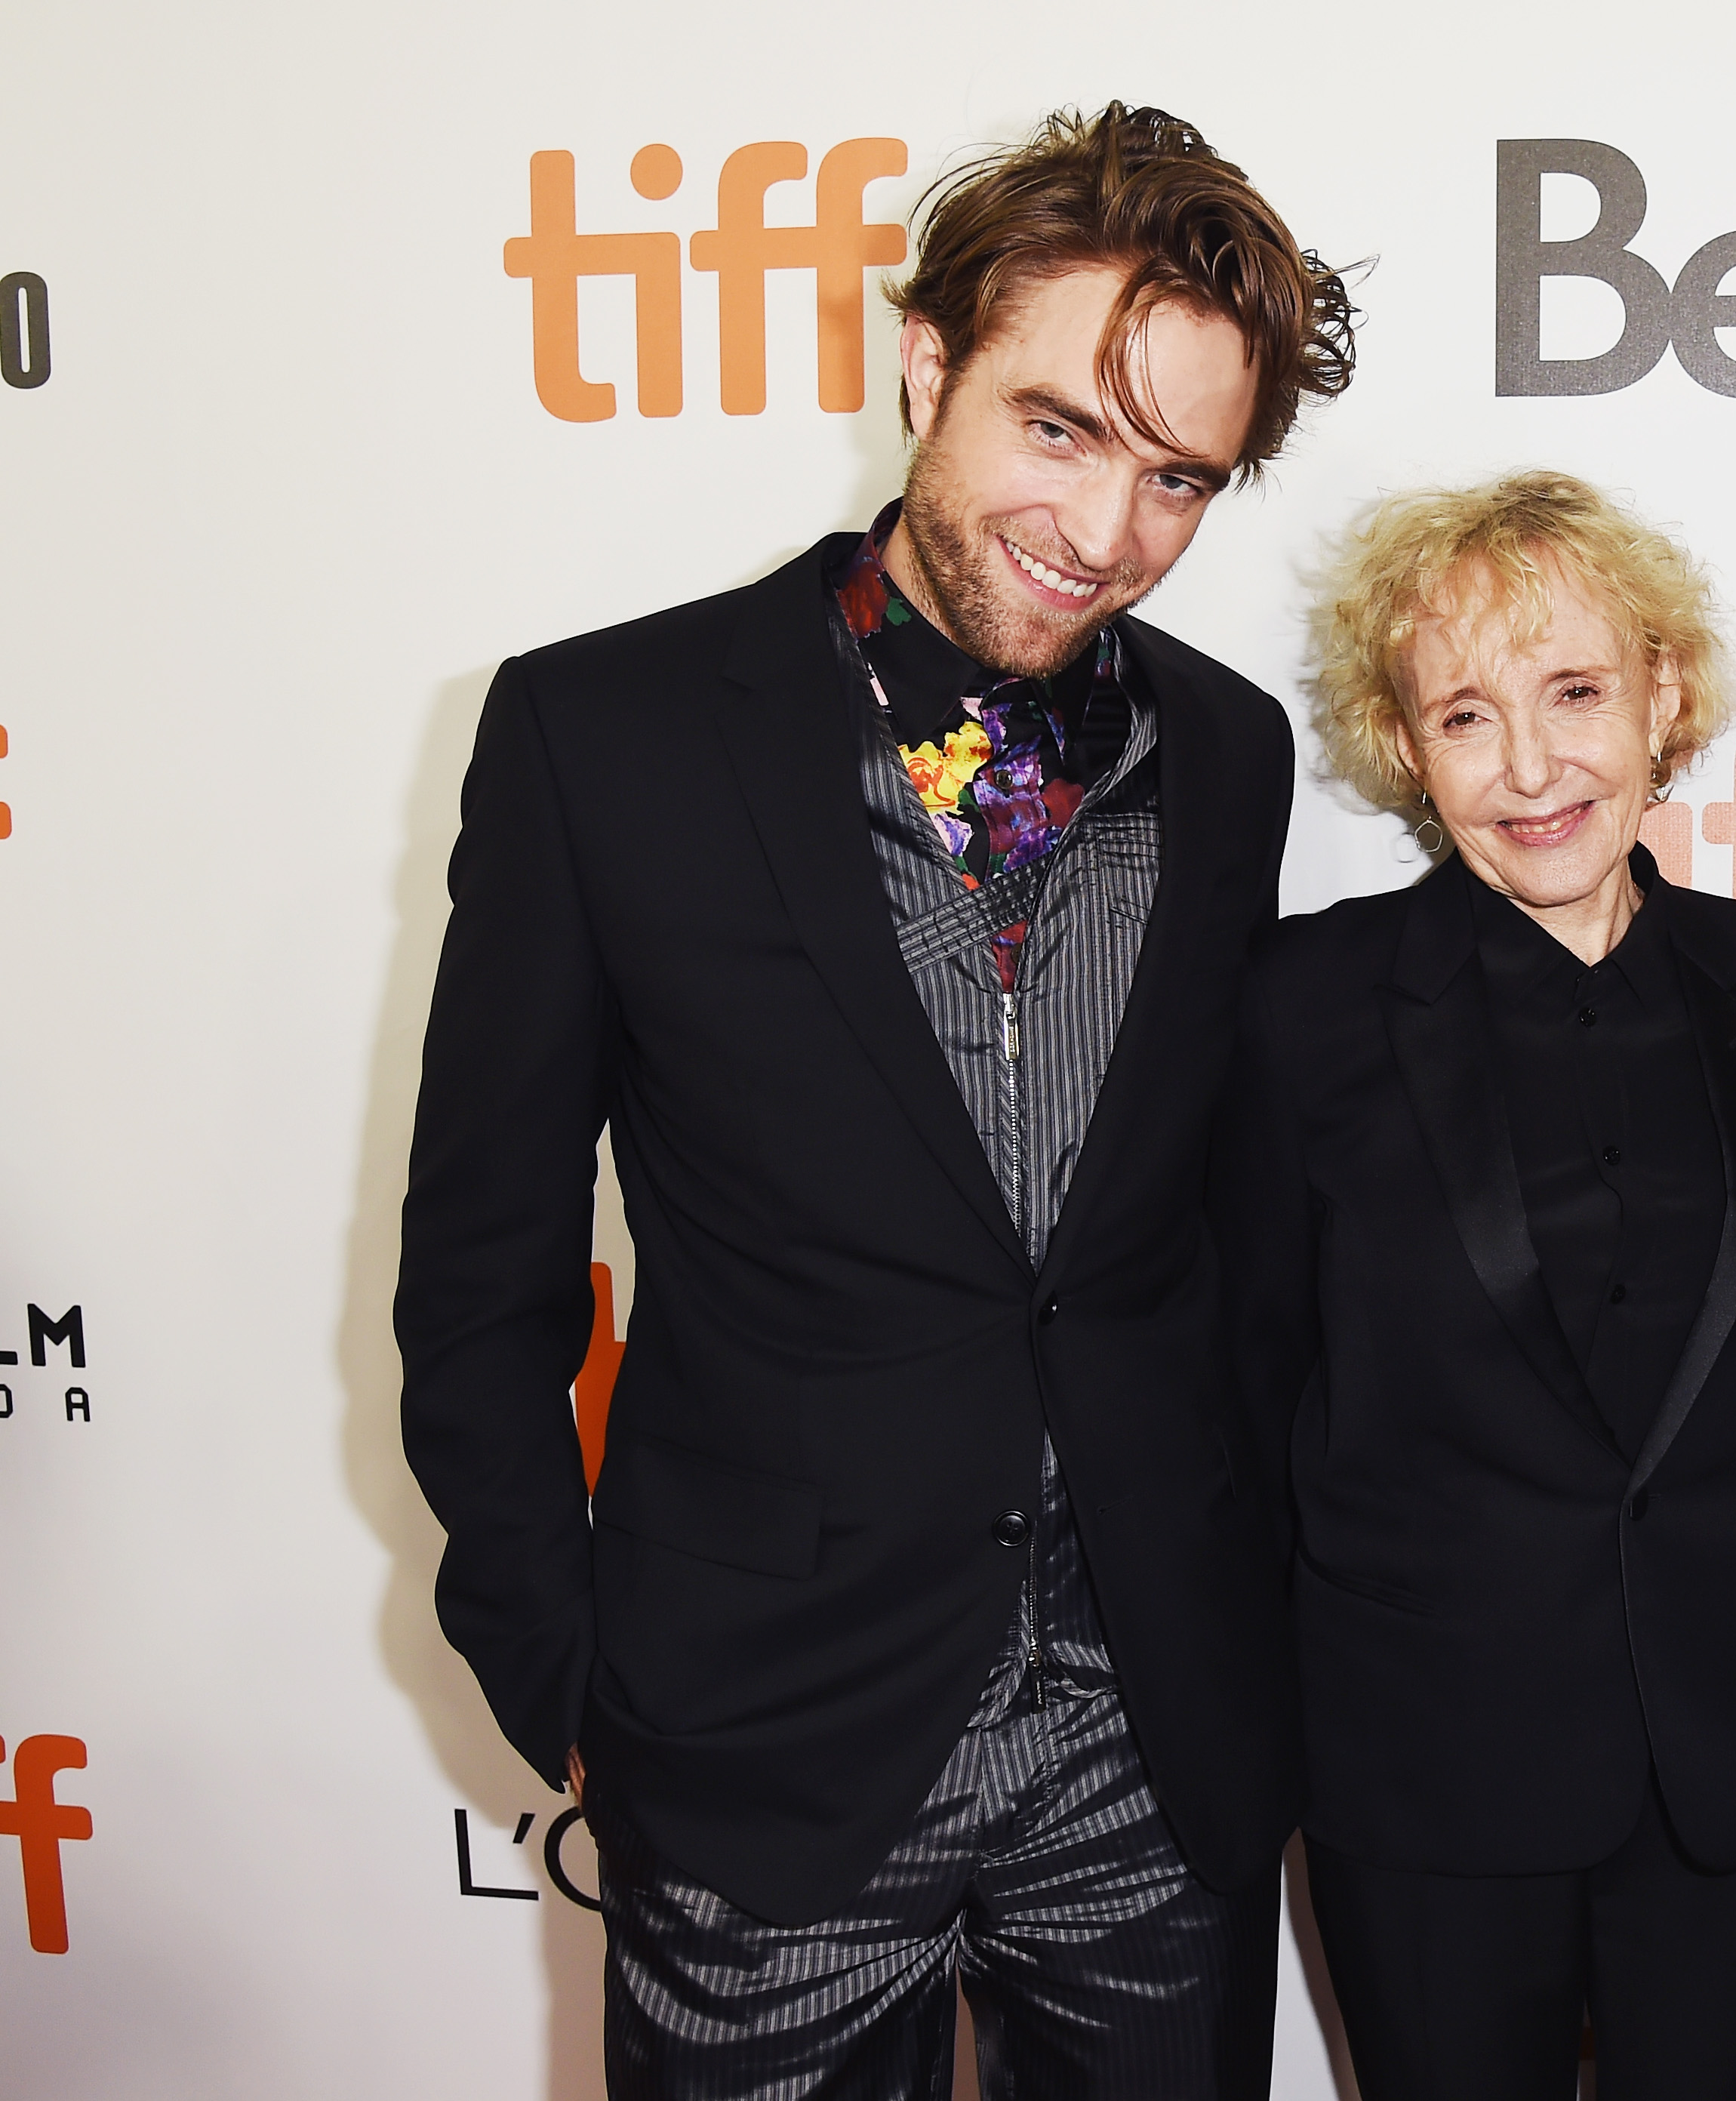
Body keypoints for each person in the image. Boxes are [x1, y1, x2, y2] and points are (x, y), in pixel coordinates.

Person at [395, 104, 1353, 2099]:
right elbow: (481, 1265)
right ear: (924, 363)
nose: (1104, 535)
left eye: (1179, 477)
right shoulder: (606, 736)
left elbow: (1198, 1248)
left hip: (1140, 1756)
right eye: (1058, 430)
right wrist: (563, 1671)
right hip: (762, 1752)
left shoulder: (1230, 754)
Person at [1214, 473, 1736, 2101]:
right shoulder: (1301, 1006)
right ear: (1406, 749)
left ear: (1663, 696)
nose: (1532, 767)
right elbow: (1252, 1381)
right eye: (1467, 715)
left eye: (1576, 693)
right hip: (1426, 1768)